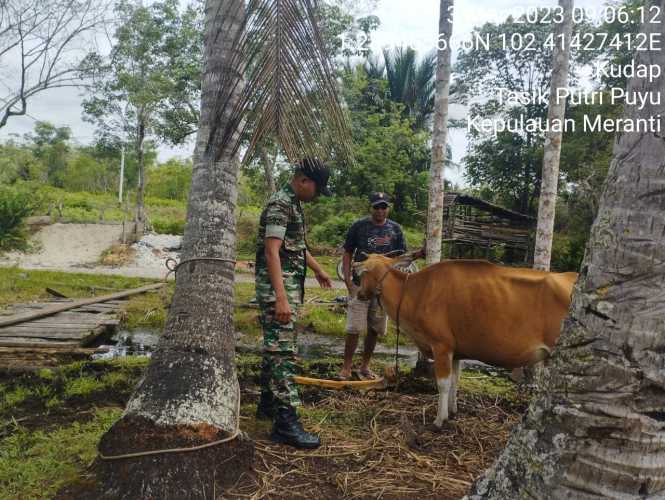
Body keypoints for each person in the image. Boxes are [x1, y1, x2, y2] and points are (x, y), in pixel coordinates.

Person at [254, 158, 333, 449]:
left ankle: (267, 406)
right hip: (278, 291)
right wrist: (281, 298)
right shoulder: (280, 205)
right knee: (283, 353)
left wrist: (317, 268)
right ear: (303, 181)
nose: (316, 194)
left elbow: (296, 246)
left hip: (285, 288)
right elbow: (272, 251)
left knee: (273, 349)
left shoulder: (292, 203)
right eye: (316, 188)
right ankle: (286, 423)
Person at [338, 192, 408, 380]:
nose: (380, 210)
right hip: (360, 285)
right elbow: (347, 253)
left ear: (388, 208)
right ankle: (346, 367)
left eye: (383, 207)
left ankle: (365, 367)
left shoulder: (396, 230)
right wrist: (348, 282)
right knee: (354, 327)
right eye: (376, 207)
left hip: (382, 289)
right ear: (371, 208)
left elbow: (401, 259)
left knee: (375, 329)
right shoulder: (359, 226)